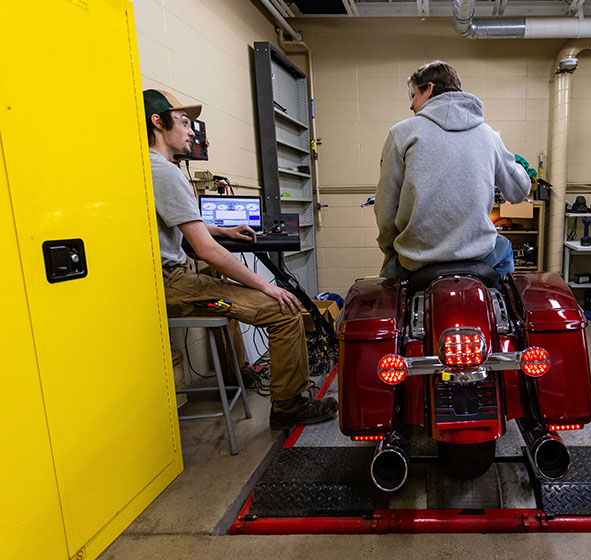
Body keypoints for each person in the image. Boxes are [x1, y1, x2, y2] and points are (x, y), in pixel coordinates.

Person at [143, 89, 337, 430]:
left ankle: (240, 375)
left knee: (225, 305)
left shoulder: (149, 168)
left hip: (163, 278)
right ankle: (289, 405)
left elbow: (186, 228)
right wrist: (268, 286)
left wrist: (224, 231)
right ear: (158, 122)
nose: (192, 132)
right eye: (185, 123)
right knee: (285, 310)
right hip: (172, 283)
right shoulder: (165, 171)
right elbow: (205, 251)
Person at [375, 60, 531, 280]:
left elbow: (385, 210)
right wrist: (514, 164)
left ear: (429, 89)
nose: (412, 105)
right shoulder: (489, 135)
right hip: (478, 257)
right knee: (504, 249)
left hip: (417, 260)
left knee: (386, 292)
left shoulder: (401, 134)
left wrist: (389, 250)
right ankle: (500, 310)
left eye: (413, 96)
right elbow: (520, 191)